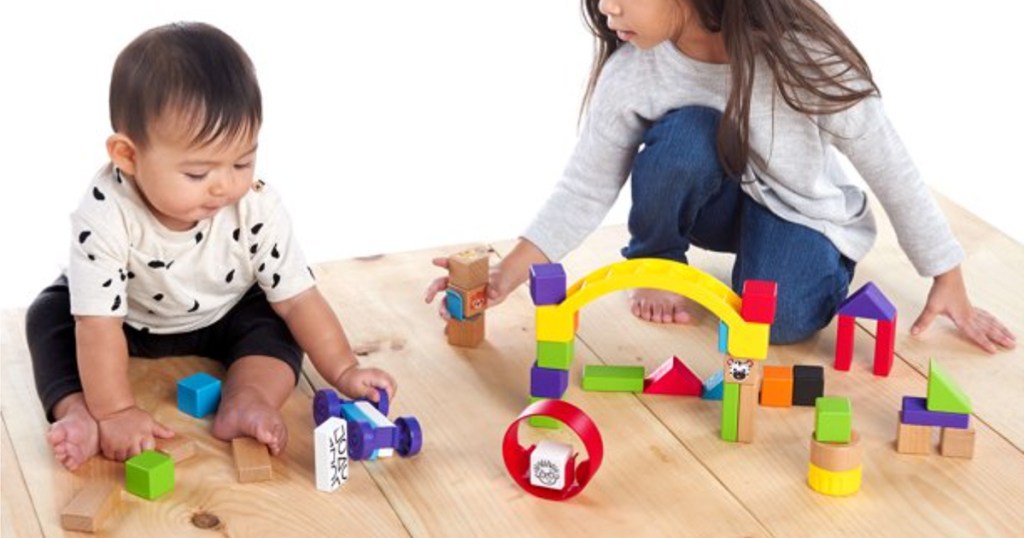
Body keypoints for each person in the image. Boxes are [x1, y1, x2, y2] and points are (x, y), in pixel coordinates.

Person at [426, 0, 1015, 352]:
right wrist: (510, 271)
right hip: (718, 205)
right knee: (683, 136)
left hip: (801, 214)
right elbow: (585, 184)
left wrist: (946, 272)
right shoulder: (636, 72)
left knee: (778, 326)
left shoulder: (799, 57)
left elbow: (889, 163)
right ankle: (656, 261)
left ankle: (806, 264)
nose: (607, 8)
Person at [26, 22, 395, 471]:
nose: (224, 186)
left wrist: (343, 370)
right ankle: (78, 411)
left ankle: (248, 398)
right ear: (128, 156)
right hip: (126, 321)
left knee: (278, 324)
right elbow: (99, 326)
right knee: (49, 318)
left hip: (225, 311)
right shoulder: (105, 215)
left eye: (242, 161)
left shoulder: (256, 206)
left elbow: (300, 300)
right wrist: (115, 411)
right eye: (198, 173)